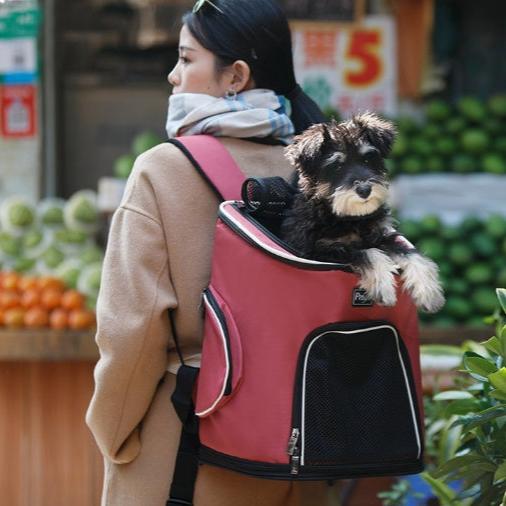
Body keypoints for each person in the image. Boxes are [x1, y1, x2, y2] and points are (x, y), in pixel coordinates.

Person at [86, 0, 335, 504]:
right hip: (301, 450)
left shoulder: (162, 171)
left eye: (185, 59)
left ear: (235, 76)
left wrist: (113, 435)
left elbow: (130, 338)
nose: (173, 76)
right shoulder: (325, 171)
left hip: (185, 450)